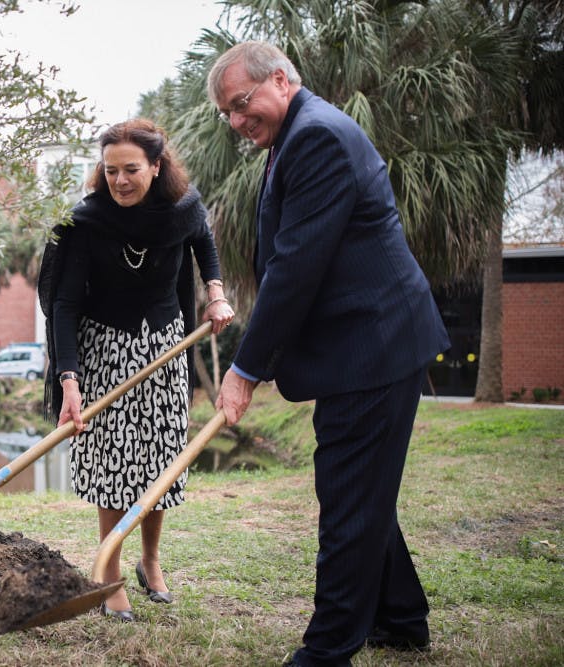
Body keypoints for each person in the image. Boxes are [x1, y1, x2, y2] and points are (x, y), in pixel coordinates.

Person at [207, 42, 451, 665]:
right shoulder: (300, 132)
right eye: (226, 114)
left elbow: (295, 270)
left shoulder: (315, 136)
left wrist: (244, 371)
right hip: (366, 345)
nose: (236, 121)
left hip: (372, 346)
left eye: (241, 104)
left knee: (347, 497)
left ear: (282, 81)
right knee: (358, 490)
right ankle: (400, 618)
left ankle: (326, 650)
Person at [50, 118, 235, 621]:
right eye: (111, 171)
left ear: (156, 166)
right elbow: (64, 305)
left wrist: (215, 294)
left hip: (165, 347)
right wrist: (69, 380)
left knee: (158, 459)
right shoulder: (86, 222)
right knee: (113, 463)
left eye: (131, 169)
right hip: (102, 349)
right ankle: (108, 573)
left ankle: (150, 560)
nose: (120, 180)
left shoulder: (182, 209)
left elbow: (203, 242)